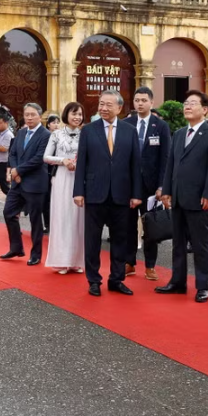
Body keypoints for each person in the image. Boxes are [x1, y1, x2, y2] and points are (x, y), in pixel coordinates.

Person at [73, 90, 143, 297]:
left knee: (120, 239)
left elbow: (135, 165)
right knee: (93, 240)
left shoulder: (130, 131)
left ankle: (116, 279)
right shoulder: (89, 130)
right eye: (101, 104)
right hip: (95, 193)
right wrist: (78, 191)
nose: (103, 108)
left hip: (122, 194)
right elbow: (82, 164)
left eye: (108, 105)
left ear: (119, 108)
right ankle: (94, 280)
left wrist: (136, 194)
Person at [157, 90, 208, 303]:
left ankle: (203, 286)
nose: (187, 106)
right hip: (177, 197)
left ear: (204, 109)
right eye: (185, 103)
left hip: (199, 199)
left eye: (192, 103)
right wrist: (166, 190)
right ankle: (177, 282)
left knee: (201, 244)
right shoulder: (178, 134)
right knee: (177, 243)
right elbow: (170, 165)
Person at [122, 87, 172, 281]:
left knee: (150, 226)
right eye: (137, 100)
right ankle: (129, 262)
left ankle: (150, 265)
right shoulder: (126, 124)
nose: (140, 103)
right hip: (128, 184)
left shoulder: (160, 126)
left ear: (151, 102)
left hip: (151, 187)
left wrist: (162, 186)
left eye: (144, 100)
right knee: (128, 226)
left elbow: (165, 159)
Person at [0, 103, 50, 266]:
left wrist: (18, 171)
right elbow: (12, 153)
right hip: (18, 183)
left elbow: (39, 158)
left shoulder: (46, 135)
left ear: (40, 116)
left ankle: (36, 254)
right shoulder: (20, 133)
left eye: (32, 115)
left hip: (35, 183)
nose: (29, 118)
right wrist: (15, 170)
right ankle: (16, 248)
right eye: (26, 114)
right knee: (8, 213)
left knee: (36, 221)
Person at [43, 102, 85, 274]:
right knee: (62, 217)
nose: (77, 117)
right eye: (74, 113)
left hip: (80, 178)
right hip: (61, 178)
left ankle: (76, 260)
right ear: (66, 114)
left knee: (78, 219)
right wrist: (63, 161)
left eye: (80, 114)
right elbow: (46, 157)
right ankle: (61, 260)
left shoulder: (86, 134)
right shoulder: (57, 134)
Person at [42, 115, 61, 233]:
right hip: (46, 171)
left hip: (57, 170)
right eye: (54, 122)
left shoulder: (60, 137)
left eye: (58, 122)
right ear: (48, 124)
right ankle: (48, 224)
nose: (56, 125)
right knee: (46, 199)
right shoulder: (46, 136)